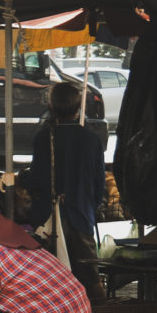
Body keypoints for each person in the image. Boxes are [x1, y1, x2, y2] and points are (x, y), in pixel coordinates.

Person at [22, 82, 106, 300]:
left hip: (49, 217)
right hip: (82, 214)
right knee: (91, 279)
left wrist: (22, 179)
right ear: (78, 108)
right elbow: (99, 184)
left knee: (51, 282)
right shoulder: (91, 139)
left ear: (52, 107)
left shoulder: (44, 138)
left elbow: (38, 180)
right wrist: (88, 206)